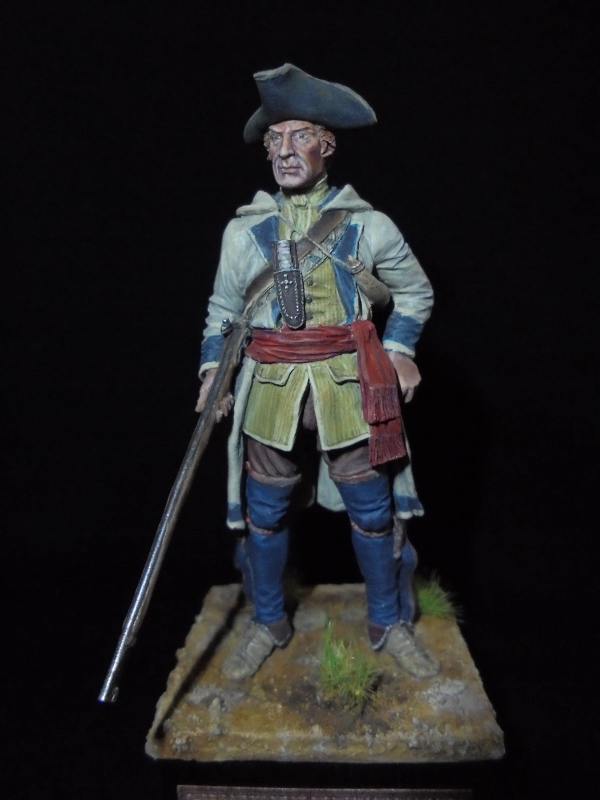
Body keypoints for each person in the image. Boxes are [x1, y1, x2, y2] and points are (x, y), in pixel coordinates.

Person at [196, 64, 438, 681]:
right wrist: (212, 371)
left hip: (347, 386)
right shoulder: (244, 232)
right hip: (270, 388)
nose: (284, 151)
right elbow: (223, 311)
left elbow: (414, 293)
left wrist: (400, 349)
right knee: (264, 513)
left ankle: (389, 621)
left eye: (299, 136)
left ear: (327, 146)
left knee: (373, 511)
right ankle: (266, 620)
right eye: (274, 140)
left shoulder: (369, 226)